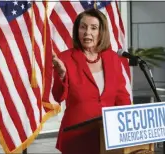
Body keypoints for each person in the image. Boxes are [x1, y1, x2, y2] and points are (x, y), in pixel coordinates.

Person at [52, 8, 131, 154]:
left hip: (108, 136)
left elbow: (122, 97)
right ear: (77, 31)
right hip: (77, 137)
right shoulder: (65, 59)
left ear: (101, 32)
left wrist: (128, 125)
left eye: (93, 28)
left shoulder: (112, 58)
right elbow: (58, 96)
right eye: (83, 27)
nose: (87, 32)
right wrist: (62, 75)